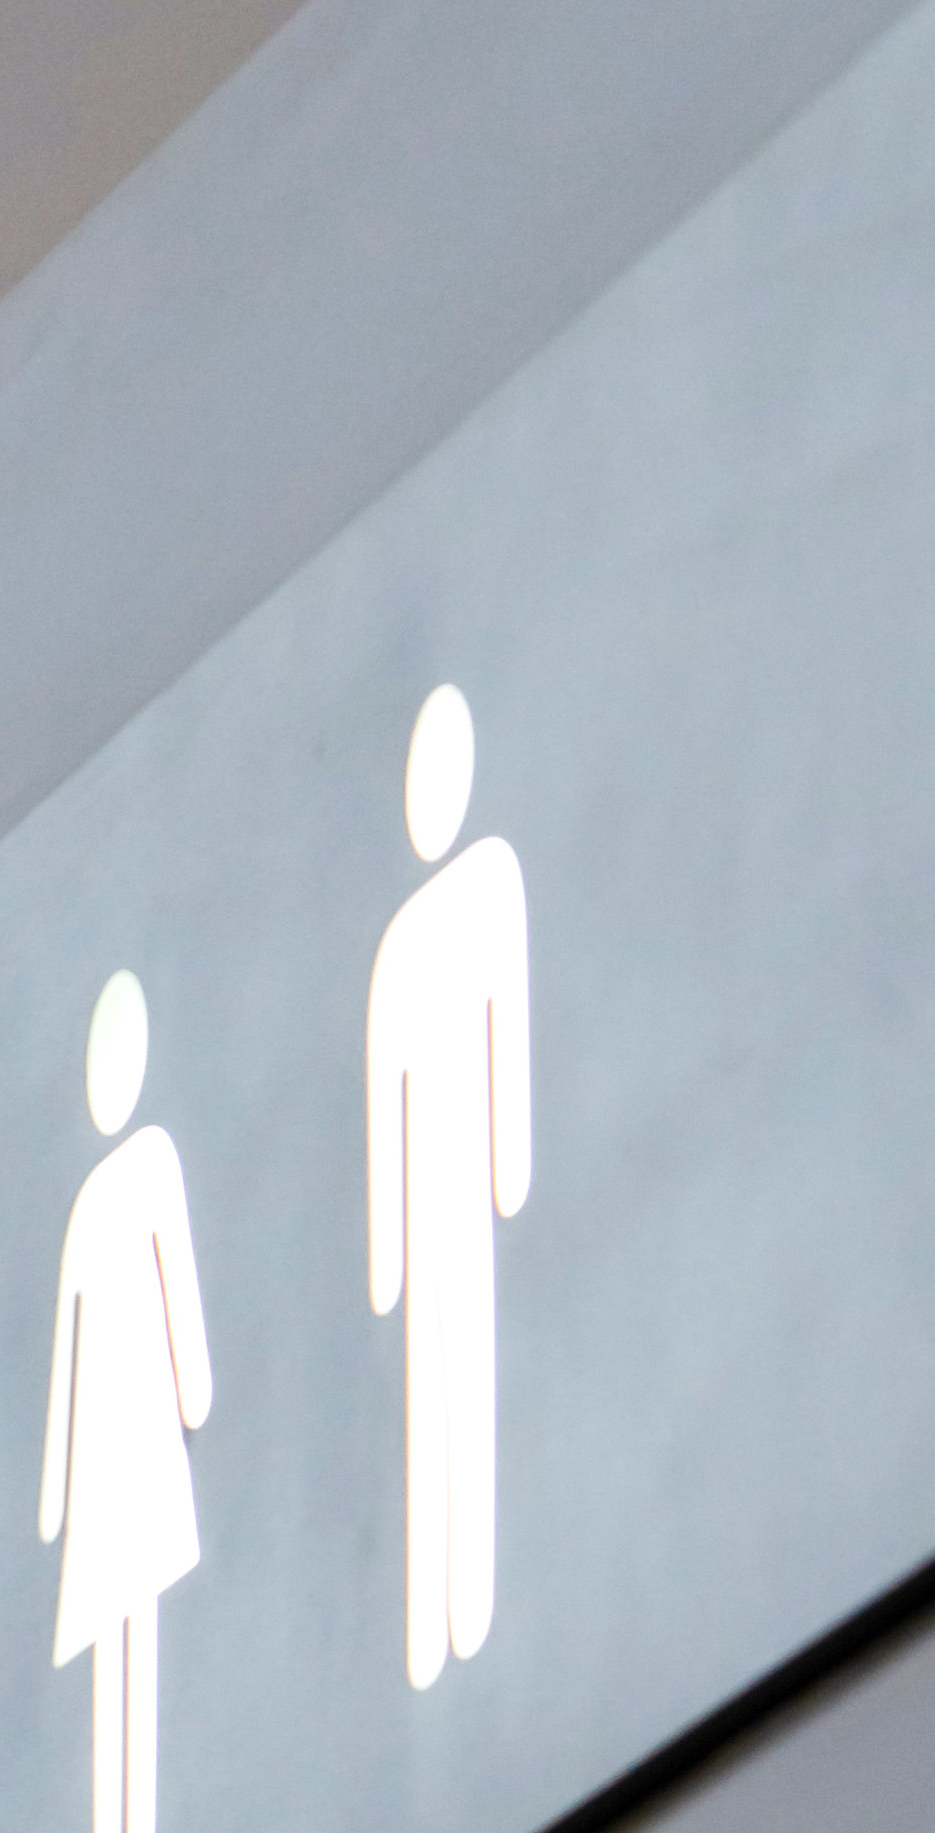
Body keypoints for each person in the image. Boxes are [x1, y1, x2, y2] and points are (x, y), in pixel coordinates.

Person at [364, 681, 536, 1690]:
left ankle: (459, 1601)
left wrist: (504, 1170)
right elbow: (388, 1098)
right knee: (439, 1381)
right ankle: (441, 1608)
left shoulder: (484, 891)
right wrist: (389, 1255)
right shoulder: (423, 931)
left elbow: (499, 1045)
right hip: (442, 1197)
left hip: (457, 1190)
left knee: (458, 1372)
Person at [39, 967, 215, 1833]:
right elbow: (68, 1349)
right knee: (117, 1627)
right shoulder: (106, 1194)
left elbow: (176, 1299)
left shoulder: (148, 1167)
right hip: (118, 1445)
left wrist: (191, 1388)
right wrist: (57, 1493)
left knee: (134, 1622)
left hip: (139, 1437)